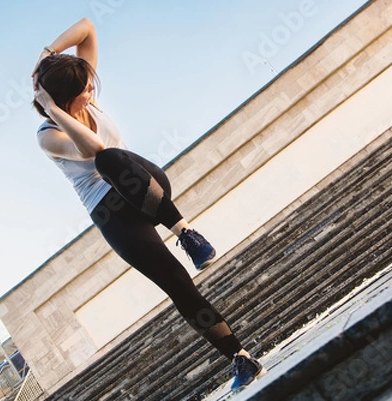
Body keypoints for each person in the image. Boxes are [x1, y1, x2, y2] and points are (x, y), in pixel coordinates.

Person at [31, 17, 266, 392]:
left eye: (90, 86)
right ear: (62, 100)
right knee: (177, 284)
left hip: (143, 186)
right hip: (113, 214)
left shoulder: (84, 90)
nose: (91, 90)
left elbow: (88, 28)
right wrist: (53, 110)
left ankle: (187, 233)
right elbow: (91, 149)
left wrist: (47, 54)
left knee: (113, 160)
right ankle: (241, 358)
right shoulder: (48, 135)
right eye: (83, 91)